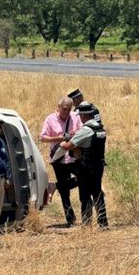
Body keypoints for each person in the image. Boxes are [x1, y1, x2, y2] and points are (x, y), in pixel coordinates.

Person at [60, 101, 109, 227]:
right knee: (98, 194)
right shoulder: (100, 128)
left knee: (85, 196)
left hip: (86, 167)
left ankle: (87, 225)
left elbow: (68, 146)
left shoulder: (86, 130)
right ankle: (103, 223)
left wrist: (62, 142)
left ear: (83, 115)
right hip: (99, 165)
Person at [40, 97, 82, 227]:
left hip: (73, 157)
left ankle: (56, 186)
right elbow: (42, 138)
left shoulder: (76, 116)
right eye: (64, 109)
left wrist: (75, 134)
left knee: (83, 179)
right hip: (58, 159)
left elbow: (82, 131)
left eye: (69, 110)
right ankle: (70, 220)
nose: (66, 112)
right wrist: (57, 138)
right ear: (58, 107)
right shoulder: (50, 119)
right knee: (65, 193)